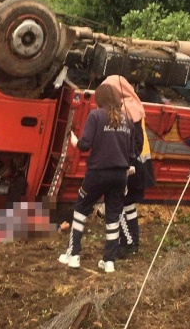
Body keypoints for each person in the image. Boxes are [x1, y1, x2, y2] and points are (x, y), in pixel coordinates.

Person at [58, 81, 135, 273]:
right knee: (113, 216)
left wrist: (72, 138)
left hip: (97, 174)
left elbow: (84, 145)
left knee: (81, 209)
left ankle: (73, 255)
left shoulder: (96, 116)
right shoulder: (128, 121)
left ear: (100, 100)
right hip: (120, 176)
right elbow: (131, 154)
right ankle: (109, 261)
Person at [101, 76, 155, 259]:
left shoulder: (128, 109)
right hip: (136, 165)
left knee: (121, 204)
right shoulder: (132, 105)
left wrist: (124, 163)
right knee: (128, 204)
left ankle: (128, 244)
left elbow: (136, 142)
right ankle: (130, 242)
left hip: (133, 166)